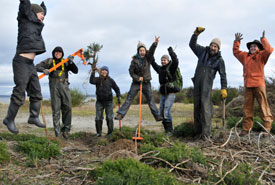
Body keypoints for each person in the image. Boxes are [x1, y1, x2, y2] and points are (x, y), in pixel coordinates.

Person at [3, 0, 47, 134]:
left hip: (30, 64)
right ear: (32, 12)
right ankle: (9, 119)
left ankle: (33, 116)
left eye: (44, 14)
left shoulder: (36, 25)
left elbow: (42, 13)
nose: (43, 16)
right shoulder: (24, 18)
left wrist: (43, 8)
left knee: (36, 92)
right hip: (21, 61)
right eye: (41, 13)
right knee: (20, 90)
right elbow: (24, 4)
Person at [189, 27, 228, 140]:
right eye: (212, 45)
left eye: (215, 46)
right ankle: (197, 133)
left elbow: (223, 75)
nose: (212, 47)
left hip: (207, 87)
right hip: (197, 84)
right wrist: (195, 34)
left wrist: (224, 88)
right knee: (197, 108)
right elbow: (192, 45)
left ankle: (206, 135)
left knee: (206, 109)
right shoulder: (202, 52)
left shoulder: (220, 60)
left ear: (218, 48)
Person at [233, 31, 274, 137]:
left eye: (255, 46)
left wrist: (263, 39)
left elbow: (269, 50)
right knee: (247, 108)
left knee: (263, 107)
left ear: (259, 48)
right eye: (251, 46)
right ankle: (246, 129)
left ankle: (266, 129)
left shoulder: (262, 56)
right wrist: (237, 41)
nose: (252, 47)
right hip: (248, 86)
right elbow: (236, 52)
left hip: (259, 85)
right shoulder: (245, 56)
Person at [115, 37, 163, 122]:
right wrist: (137, 78)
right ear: (138, 51)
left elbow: (152, 50)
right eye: (140, 50)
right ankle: (120, 114)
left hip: (146, 82)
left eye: (143, 50)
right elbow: (131, 71)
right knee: (129, 98)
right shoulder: (134, 60)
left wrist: (155, 43)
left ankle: (157, 116)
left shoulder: (148, 58)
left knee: (150, 100)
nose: (142, 52)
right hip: (136, 83)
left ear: (145, 51)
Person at [36, 46, 78, 139]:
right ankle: (57, 133)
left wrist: (71, 62)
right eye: (56, 52)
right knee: (56, 110)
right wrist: (43, 70)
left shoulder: (66, 61)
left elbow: (76, 71)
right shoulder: (49, 61)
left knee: (68, 108)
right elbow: (37, 66)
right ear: (53, 53)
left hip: (65, 86)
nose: (58, 53)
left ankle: (66, 130)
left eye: (60, 52)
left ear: (62, 54)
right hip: (54, 87)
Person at [151, 46, 180, 135]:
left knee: (166, 111)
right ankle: (167, 131)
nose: (163, 61)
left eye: (165, 60)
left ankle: (170, 132)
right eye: (162, 60)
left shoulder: (172, 68)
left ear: (168, 61)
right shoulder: (160, 69)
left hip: (171, 94)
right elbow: (152, 62)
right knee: (162, 113)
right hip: (163, 94)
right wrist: (152, 49)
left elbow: (176, 61)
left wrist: (170, 51)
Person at [90, 66, 121, 137]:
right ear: (100, 72)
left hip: (109, 102)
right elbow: (91, 81)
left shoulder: (110, 80)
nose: (104, 71)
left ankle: (110, 133)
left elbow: (116, 88)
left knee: (109, 117)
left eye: (105, 70)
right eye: (102, 70)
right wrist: (93, 72)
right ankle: (99, 133)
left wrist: (118, 96)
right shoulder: (97, 79)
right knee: (98, 118)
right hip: (99, 102)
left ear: (107, 72)